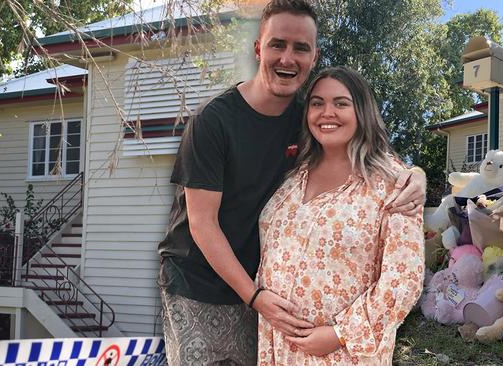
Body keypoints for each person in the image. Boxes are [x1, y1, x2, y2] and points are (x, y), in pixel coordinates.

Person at [157, 1, 426, 365]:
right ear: (258, 49)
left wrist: (415, 175)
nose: (288, 58)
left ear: (314, 56)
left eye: (300, 48)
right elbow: (202, 223)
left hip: (265, 299)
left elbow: (364, 148)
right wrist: (254, 297)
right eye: (277, 44)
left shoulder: (310, 116)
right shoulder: (212, 122)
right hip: (200, 284)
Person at [256, 66, 425, 365]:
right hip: (277, 346)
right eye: (317, 103)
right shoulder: (293, 177)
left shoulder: (392, 182)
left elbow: (403, 280)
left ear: (362, 111)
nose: (327, 112)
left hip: (341, 353)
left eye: (341, 103)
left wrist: (340, 333)